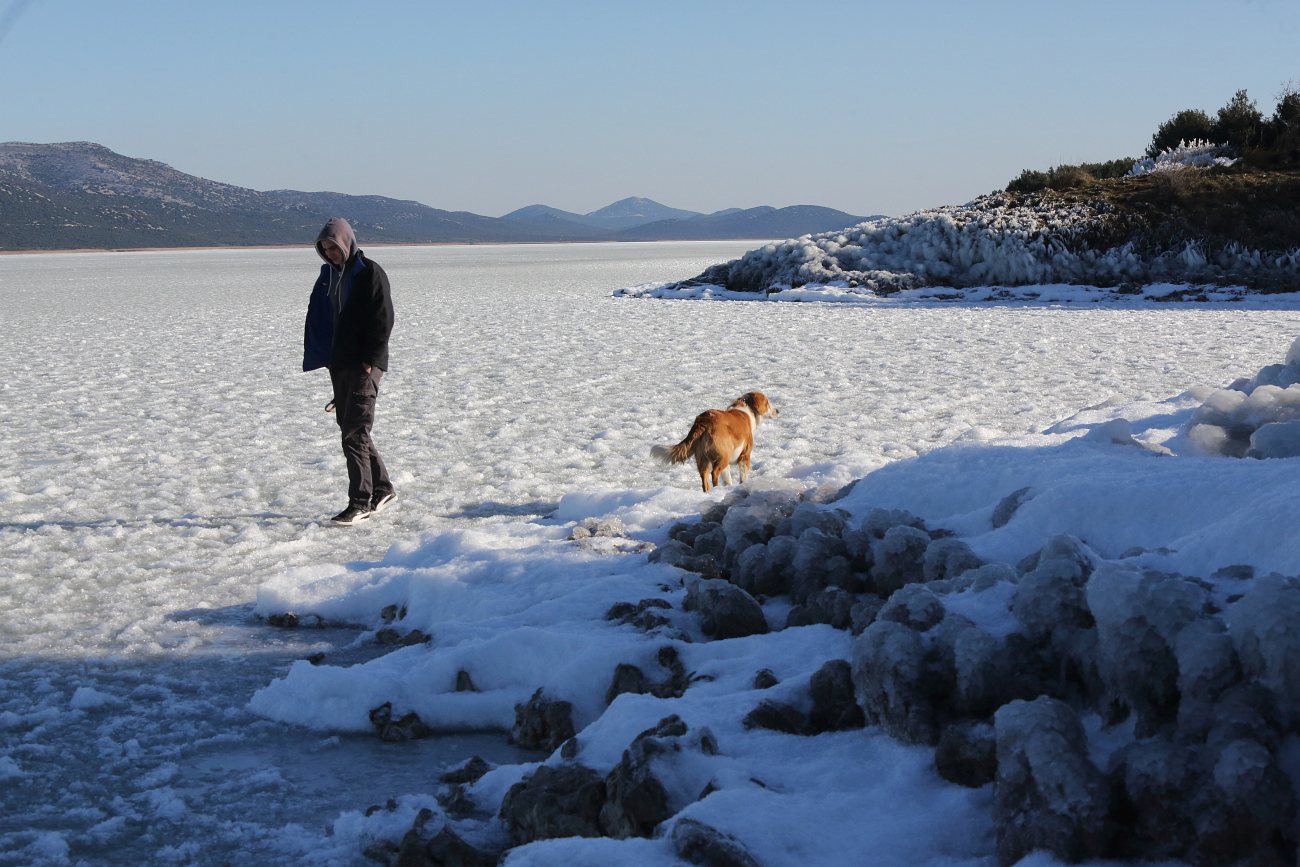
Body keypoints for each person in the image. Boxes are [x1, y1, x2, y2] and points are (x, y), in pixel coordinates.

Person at [303, 217, 396, 525]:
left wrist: (371, 359)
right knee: (352, 427)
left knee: (354, 433)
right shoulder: (329, 276)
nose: (330, 254)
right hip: (339, 362)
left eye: (333, 247)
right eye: (325, 249)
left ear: (346, 242)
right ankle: (383, 488)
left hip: (363, 364)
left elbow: (383, 317)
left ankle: (360, 502)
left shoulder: (369, 272)